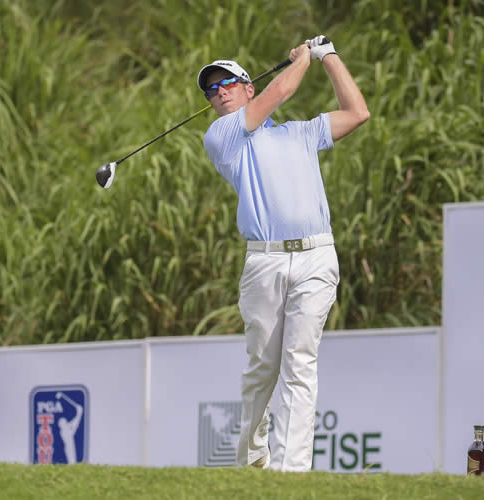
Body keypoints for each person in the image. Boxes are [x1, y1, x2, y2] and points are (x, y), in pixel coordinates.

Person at [197, 35, 369, 472]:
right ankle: (253, 459)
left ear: (247, 86)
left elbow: (357, 112)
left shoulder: (301, 134)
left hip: (316, 257)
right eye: (211, 89)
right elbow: (283, 90)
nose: (218, 93)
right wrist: (303, 58)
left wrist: (329, 56)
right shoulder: (223, 137)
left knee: (299, 364)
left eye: (227, 84)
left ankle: (290, 473)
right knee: (262, 369)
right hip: (265, 261)